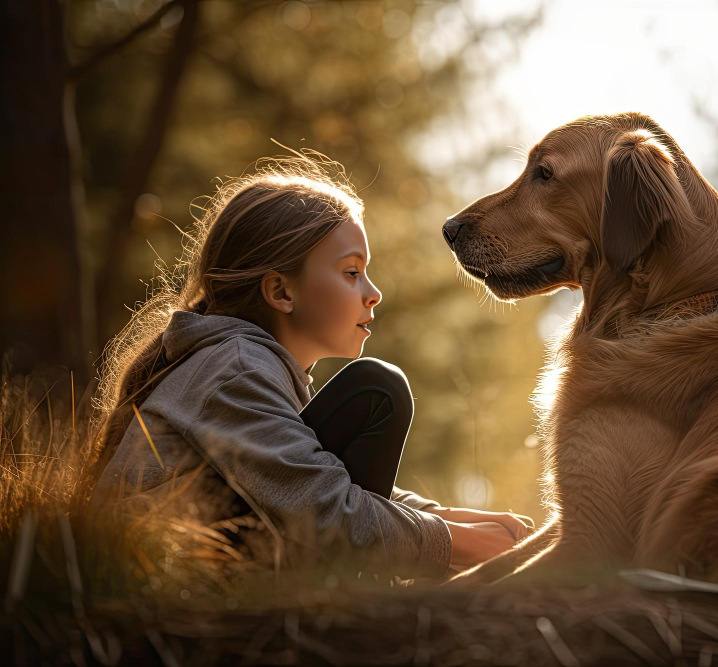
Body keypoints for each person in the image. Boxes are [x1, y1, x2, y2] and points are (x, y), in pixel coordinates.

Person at [88, 156, 532, 581]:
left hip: (203, 572)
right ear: (281, 292)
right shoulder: (235, 369)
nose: (373, 293)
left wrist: (462, 520)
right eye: (351, 272)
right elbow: (326, 509)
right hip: (174, 590)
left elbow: (315, 478)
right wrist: (479, 548)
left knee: (369, 397)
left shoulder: (248, 367)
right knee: (376, 392)